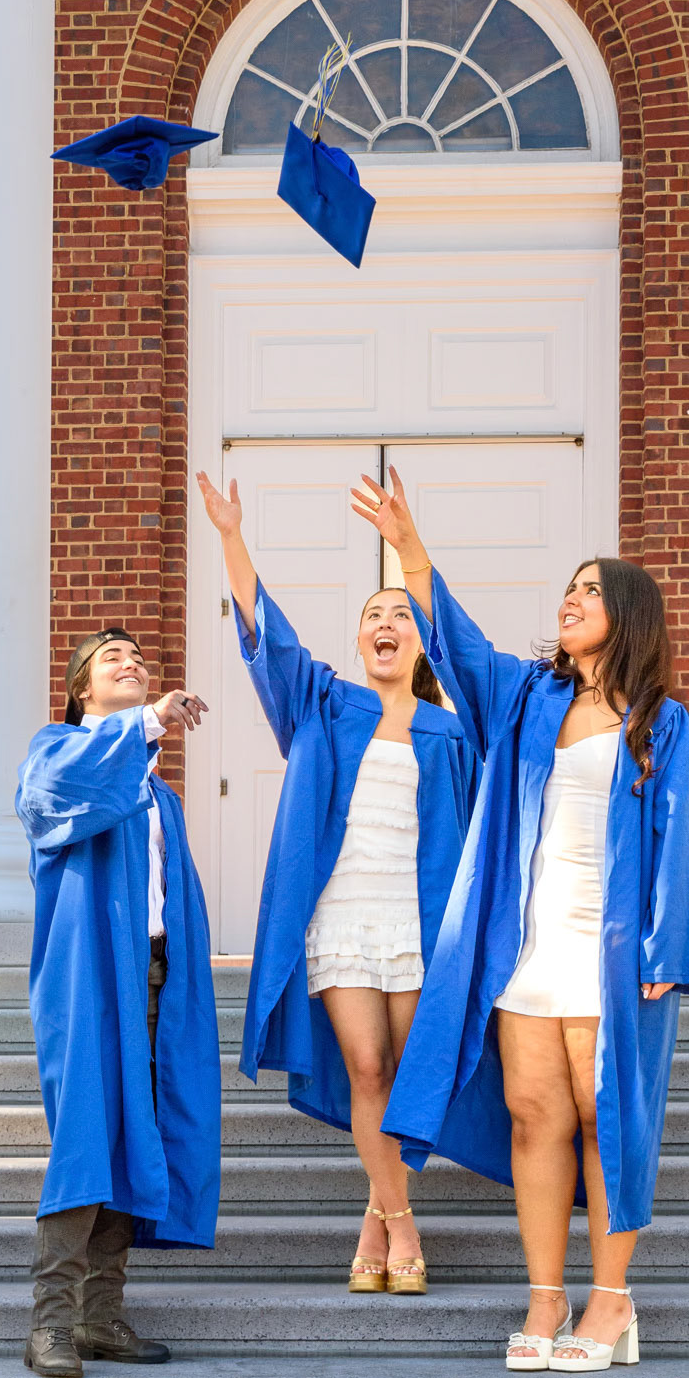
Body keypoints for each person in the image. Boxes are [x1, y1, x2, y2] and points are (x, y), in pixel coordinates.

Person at [352, 469, 689, 1374]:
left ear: (630, 617)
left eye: (590, 592)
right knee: (534, 1116)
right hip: (528, 945)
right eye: (567, 590)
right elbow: (453, 644)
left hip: (611, 952)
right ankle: (546, 1295)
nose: (570, 601)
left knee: (605, 1118)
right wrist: (411, 548)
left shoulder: (663, 725)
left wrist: (667, 945)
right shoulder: (529, 701)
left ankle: (611, 1302)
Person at [197, 470, 476, 1296]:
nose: (384, 625)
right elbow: (267, 637)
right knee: (364, 1068)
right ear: (359, 646)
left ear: (421, 643)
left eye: (399, 616)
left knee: (404, 1072)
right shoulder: (321, 707)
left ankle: (372, 1216)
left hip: (419, 919)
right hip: (343, 916)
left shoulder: (453, 735)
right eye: (371, 618)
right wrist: (229, 536)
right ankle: (401, 1222)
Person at [15, 628, 221, 1378]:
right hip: (92, 981)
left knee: (139, 1139)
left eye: (139, 658)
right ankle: (50, 1324)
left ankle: (101, 1319)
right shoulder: (55, 752)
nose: (131, 664)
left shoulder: (158, 790)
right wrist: (145, 722)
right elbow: (50, 804)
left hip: (158, 980)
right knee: (86, 1139)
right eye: (113, 659)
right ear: (79, 689)